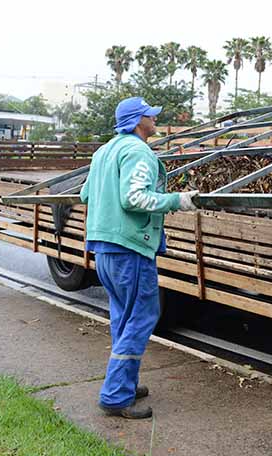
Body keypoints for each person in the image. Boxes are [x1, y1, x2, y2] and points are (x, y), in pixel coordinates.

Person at [80, 97, 198, 419]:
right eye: (149, 115)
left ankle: (126, 385)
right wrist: (179, 200)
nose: (154, 119)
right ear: (136, 122)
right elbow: (133, 197)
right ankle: (116, 395)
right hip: (130, 249)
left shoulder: (104, 151)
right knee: (143, 316)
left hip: (104, 250)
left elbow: (85, 194)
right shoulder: (138, 151)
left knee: (124, 318)